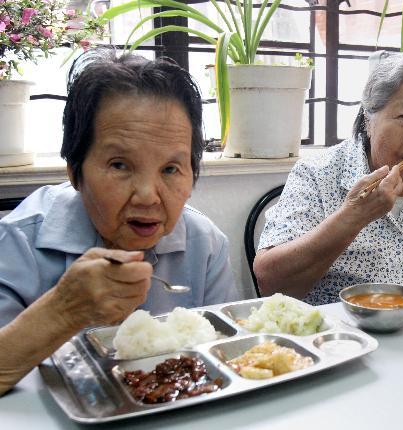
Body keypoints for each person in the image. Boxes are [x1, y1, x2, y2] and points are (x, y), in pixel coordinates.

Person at [0, 49, 239, 395]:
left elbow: (223, 356)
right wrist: (64, 310)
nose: (147, 196)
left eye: (170, 169)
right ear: (74, 170)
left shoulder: (206, 244)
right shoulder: (18, 241)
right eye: (120, 165)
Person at [254, 52, 403, 305]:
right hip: (344, 336)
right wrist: (354, 216)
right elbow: (269, 282)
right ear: (368, 120)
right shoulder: (318, 173)